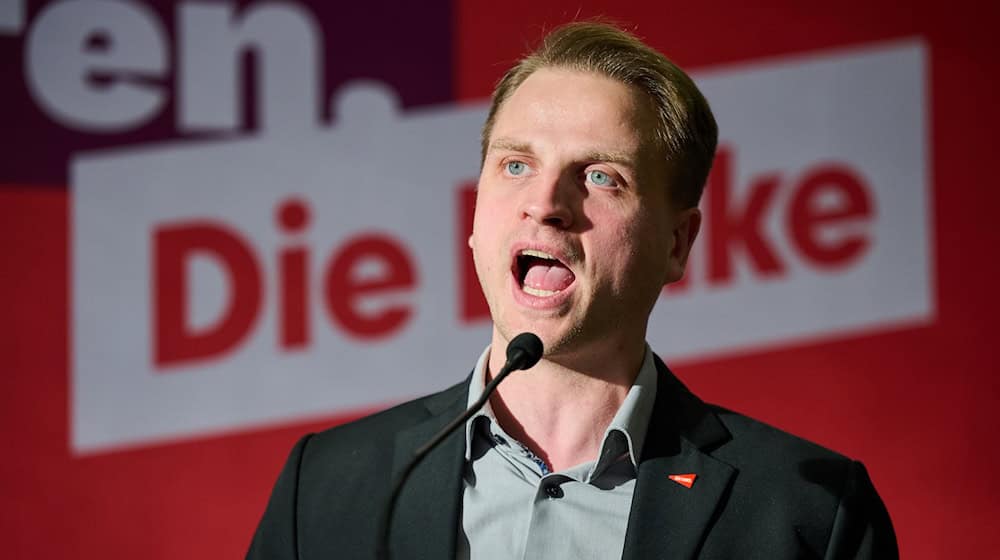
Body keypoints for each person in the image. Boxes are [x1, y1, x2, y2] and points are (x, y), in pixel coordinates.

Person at [247, 21, 897, 559]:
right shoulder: (330, 486)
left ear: (677, 243)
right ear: (474, 217)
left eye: (601, 176)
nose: (545, 204)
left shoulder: (808, 512)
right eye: (516, 164)